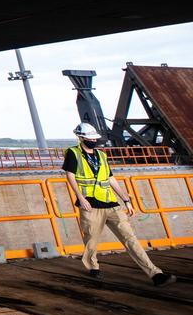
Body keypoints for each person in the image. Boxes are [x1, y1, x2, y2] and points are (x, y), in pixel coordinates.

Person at [63, 122, 175, 286]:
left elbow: (111, 179)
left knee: (130, 239)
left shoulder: (101, 155)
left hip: (111, 205)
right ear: (81, 138)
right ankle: (93, 266)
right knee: (91, 240)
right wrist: (81, 198)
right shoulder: (73, 153)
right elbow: (70, 176)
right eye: (90, 138)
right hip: (91, 206)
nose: (93, 141)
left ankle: (155, 274)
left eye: (94, 138)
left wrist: (126, 200)